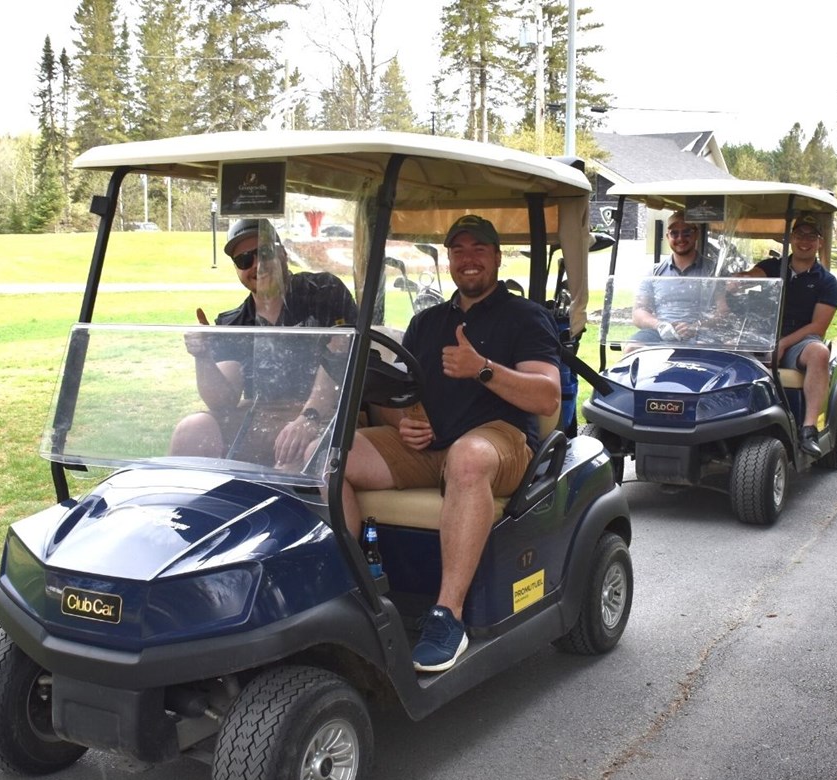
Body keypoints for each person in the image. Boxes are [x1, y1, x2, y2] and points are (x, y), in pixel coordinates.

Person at [342, 214, 561, 673]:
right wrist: (405, 424)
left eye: (479, 248)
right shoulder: (427, 323)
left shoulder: (526, 317)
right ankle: (351, 588)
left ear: (497, 257)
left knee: (467, 458)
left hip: (502, 442)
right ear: (448, 259)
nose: (469, 259)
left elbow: (547, 396)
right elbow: (402, 397)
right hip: (432, 445)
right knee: (333, 454)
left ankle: (448, 615)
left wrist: (481, 367)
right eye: (458, 250)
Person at [171, 218, 359, 467]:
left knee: (292, 458)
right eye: (244, 260)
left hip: (327, 414)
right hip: (260, 417)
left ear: (282, 255)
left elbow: (341, 357)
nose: (257, 265)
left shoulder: (324, 291)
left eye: (265, 253)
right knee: (192, 429)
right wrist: (203, 356)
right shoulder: (233, 322)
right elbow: (223, 401)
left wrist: (308, 417)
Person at [747, 212, 837, 456]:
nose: (805, 241)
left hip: (800, 341)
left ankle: (807, 429)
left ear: (819, 241)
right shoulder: (771, 268)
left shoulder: (827, 281)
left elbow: (818, 327)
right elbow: (748, 277)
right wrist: (735, 280)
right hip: (762, 335)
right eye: (799, 235)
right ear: (791, 238)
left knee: (819, 353)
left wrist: (783, 344)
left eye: (812, 236)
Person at [626, 210, 719, 345]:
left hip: (703, 334)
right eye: (674, 233)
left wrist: (697, 327)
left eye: (686, 232)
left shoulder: (713, 271)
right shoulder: (654, 273)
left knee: (707, 354)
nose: (680, 238)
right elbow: (639, 311)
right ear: (667, 236)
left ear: (696, 234)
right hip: (660, 333)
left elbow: (723, 311)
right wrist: (660, 325)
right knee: (632, 348)